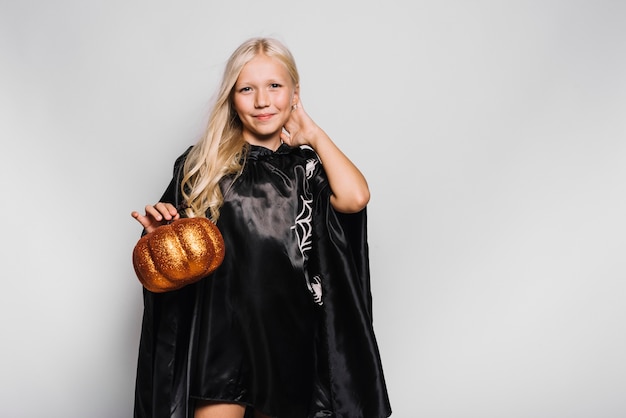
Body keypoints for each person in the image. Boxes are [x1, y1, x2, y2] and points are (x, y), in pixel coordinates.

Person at [131, 37, 391, 418]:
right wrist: (160, 239)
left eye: (275, 86)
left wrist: (314, 135)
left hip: (286, 335)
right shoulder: (202, 167)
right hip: (219, 338)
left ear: (294, 93)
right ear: (232, 99)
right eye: (247, 89)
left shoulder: (306, 168)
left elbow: (355, 198)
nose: (262, 100)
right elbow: (167, 265)